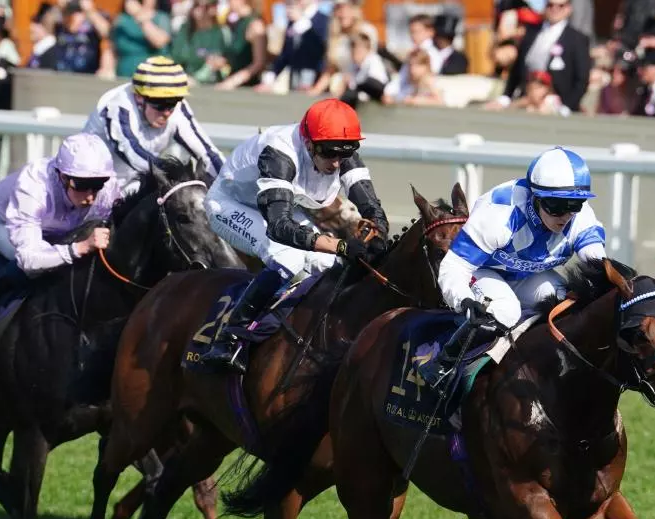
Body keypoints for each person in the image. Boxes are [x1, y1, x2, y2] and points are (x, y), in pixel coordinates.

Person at [199, 98, 390, 372]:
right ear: (309, 142)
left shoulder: (338, 151)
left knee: (329, 266)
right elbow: (279, 227)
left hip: (278, 205)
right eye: (329, 153)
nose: (336, 163)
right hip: (231, 205)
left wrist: (378, 233)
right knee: (288, 258)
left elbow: (372, 208)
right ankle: (229, 337)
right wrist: (341, 245)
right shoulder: (279, 153)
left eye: (344, 154)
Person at [419, 146, 604, 387]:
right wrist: (463, 299)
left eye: (575, 204)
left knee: (566, 306)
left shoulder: (581, 219)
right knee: (506, 310)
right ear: (536, 197)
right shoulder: (500, 215)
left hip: (529, 275)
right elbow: (454, 266)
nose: (566, 215)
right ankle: (444, 363)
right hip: (482, 271)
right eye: (556, 205)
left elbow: (600, 267)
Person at [0, 132, 121, 328]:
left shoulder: (107, 189)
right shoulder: (34, 186)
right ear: (62, 176)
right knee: (37, 268)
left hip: (56, 230)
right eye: (82, 185)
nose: (91, 196)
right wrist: (78, 248)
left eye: (97, 185)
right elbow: (30, 259)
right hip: (0, 222)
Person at [82, 55, 223, 197]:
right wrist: (177, 175)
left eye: (173, 103)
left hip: (134, 184)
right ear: (139, 98)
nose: (167, 112)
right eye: (160, 104)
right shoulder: (118, 105)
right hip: (91, 188)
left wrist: (231, 182)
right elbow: (134, 154)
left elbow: (207, 152)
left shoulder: (177, 109)